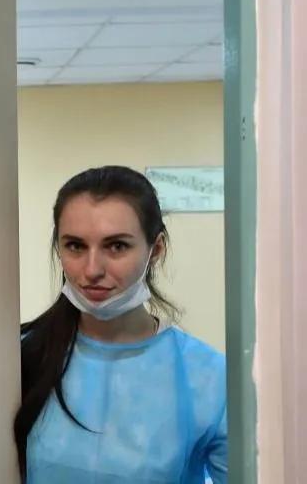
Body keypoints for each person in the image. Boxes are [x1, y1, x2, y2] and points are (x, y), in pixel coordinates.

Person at [14, 166, 227, 483]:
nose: (92, 270)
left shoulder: (207, 377)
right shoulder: (21, 356)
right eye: (75, 246)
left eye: (116, 246)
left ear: (156, 249)